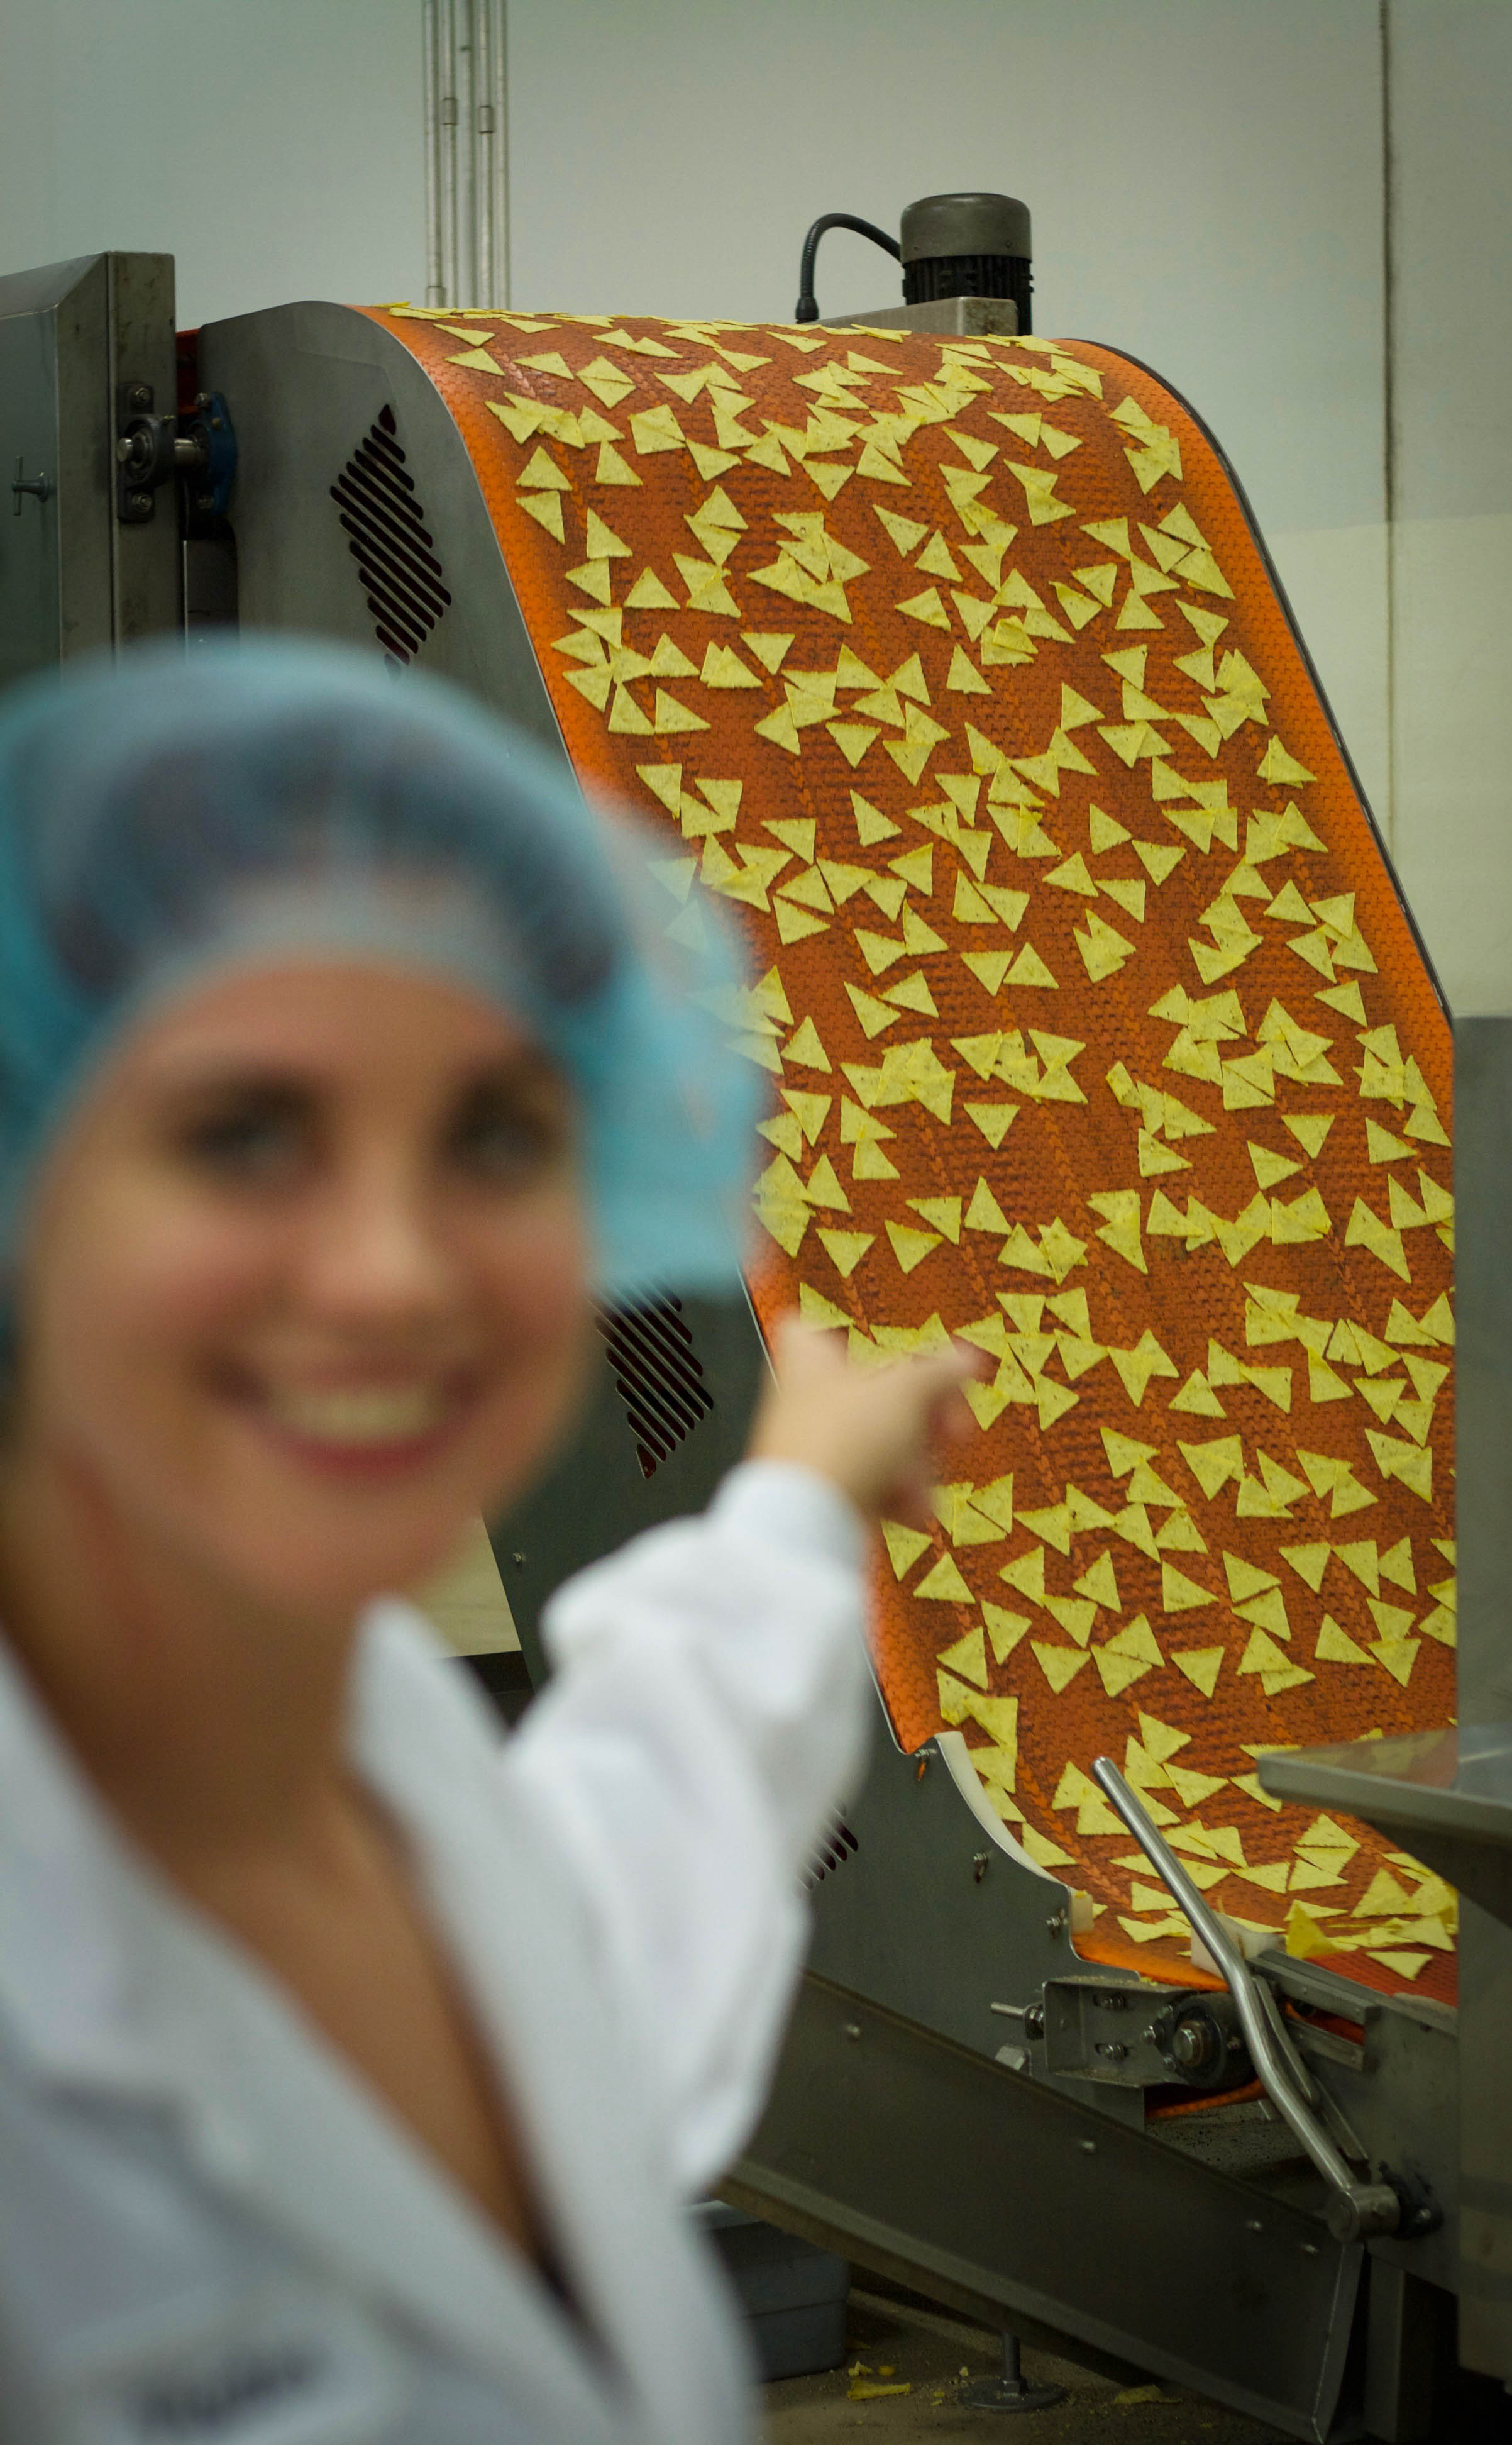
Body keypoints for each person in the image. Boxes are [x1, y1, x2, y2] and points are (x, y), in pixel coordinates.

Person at [0, 641, 981, 2444]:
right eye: (241, 1133)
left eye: (499, 1135)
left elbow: (597, 1943)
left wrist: (798, 1507)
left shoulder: (351, 1729)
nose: (394, 1274)